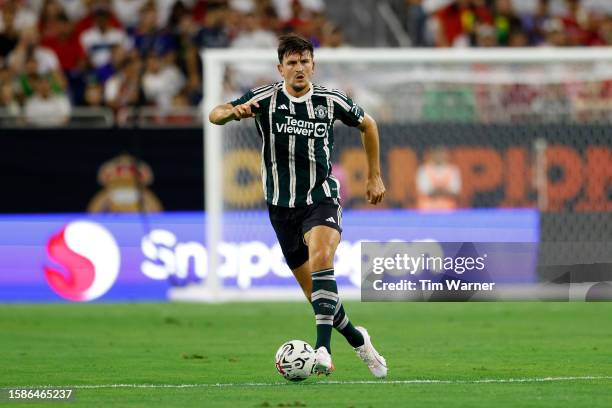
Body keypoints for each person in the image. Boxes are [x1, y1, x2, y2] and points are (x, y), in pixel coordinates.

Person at [209, 34, 387, 378]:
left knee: (322, 259)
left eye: (305, 61)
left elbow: (368, 124)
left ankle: (323, 350)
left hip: (321, 198)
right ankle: (357, 338)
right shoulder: (264, 99)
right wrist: (232, 113)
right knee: (318, 297)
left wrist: (374, 176)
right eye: (292, 62)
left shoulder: (330, 100)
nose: (299, 67)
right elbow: (215, 114)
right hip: (281, 208)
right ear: (281, 68)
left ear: (313, 65)